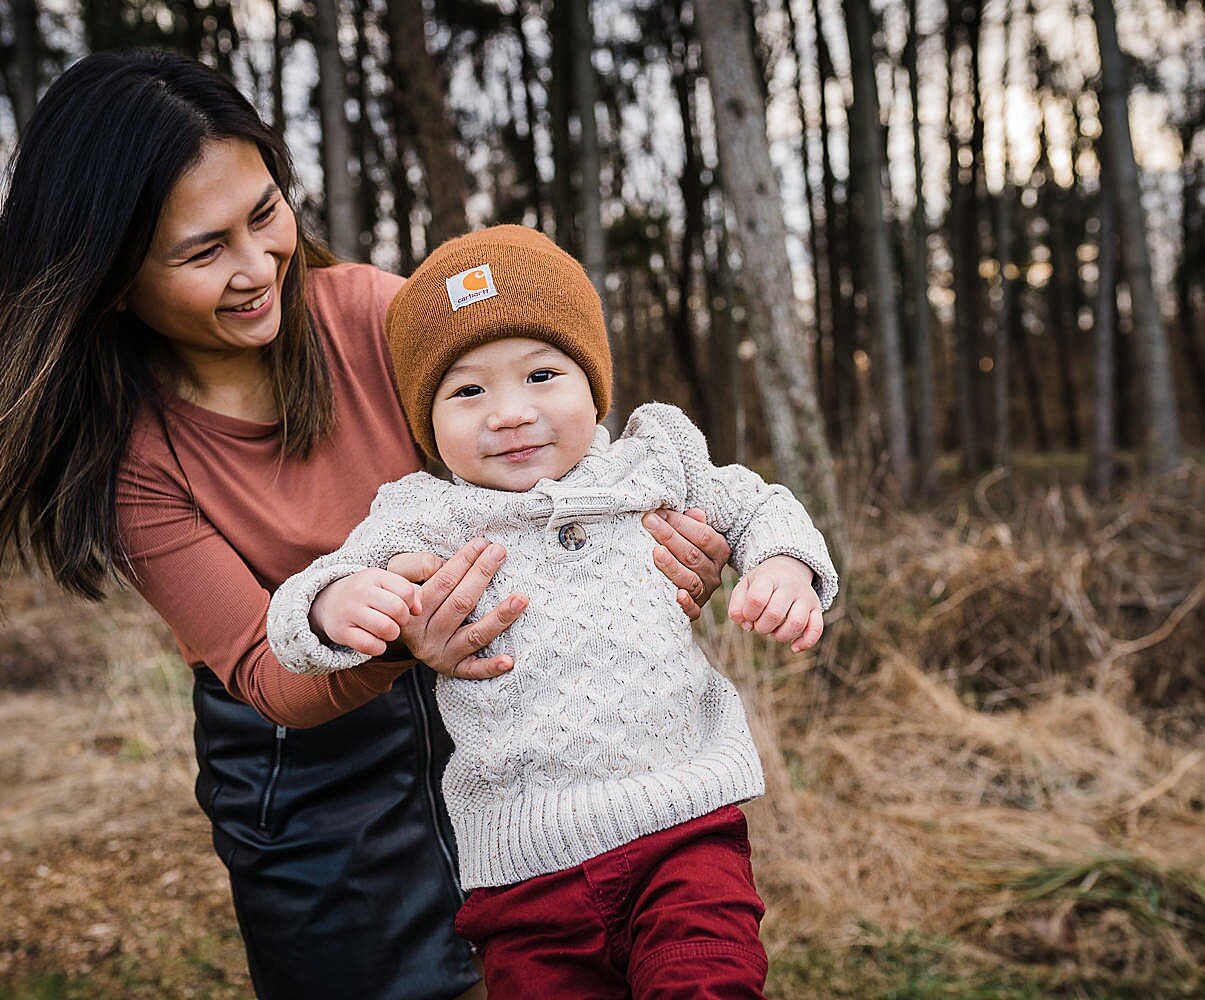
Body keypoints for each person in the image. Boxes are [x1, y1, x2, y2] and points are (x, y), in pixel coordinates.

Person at [0, 51, 734, 1000]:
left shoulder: (379, 319)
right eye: (201, 250)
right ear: (111, 277)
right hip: (303, 770)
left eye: (264, 214)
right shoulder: (131, 456)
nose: (256, 265)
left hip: (498, 717)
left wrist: (667, 549)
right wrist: (398, 637)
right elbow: (270, 676)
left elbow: (559, 469)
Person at [266, 225, 838, 998]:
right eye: (467, 391)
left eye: (541, 374)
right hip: (526, 875)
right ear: (425, 421)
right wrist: (335, 604)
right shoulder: (422, 513)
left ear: (593, 383)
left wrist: (783, 563)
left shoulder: (653, 460)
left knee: (706, 985)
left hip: (684, 835)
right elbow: (298, 610)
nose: (508, 413)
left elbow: (757, 503)